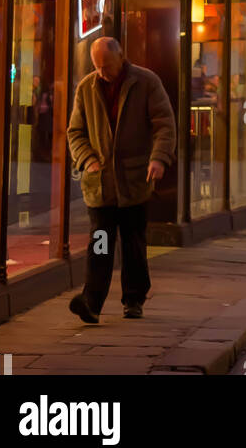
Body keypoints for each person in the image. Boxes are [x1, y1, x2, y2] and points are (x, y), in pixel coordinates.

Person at [66, 37, 176, 323]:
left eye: (107, 66)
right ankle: (92, 302)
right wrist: (87, 158)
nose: (102, 73)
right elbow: (75, 132)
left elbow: (165, 123)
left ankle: (134, 299)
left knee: (133, 243)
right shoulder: (86, 87)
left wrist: (159, 158)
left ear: (121, 58)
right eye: (97, 67)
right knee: (100, 241)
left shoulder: (146, 82)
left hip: (135, 182)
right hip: (100, 184)